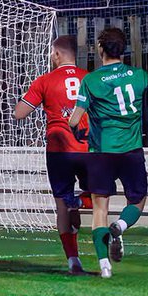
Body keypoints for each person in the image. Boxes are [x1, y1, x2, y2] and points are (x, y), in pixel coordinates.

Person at [68, 27, 148, 278]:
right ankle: (122, 225)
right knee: (138, 199)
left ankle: (104, 265)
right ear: (123, 49)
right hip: (131, 151)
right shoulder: (138, 75)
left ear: (101, 49)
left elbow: (75, 120)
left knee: (99, 210)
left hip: (101, 152)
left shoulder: (91, 80)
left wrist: (75, 127)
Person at [14, 35, 91, 275]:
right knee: (101, 195)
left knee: (61, 204)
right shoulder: (89, 78)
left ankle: (73, 261)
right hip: (87, 147)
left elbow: (19, 113)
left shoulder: (45, 80)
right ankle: (103, 258)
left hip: (58, 149)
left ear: (57, 55)